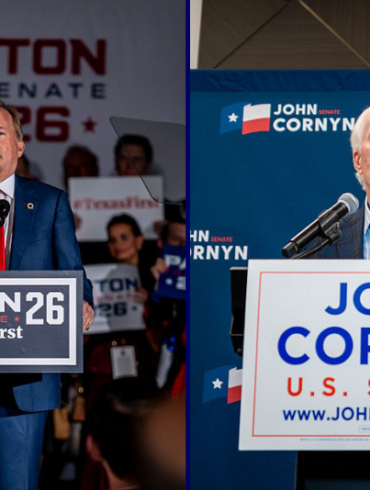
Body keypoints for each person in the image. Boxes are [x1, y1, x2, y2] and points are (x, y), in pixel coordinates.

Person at [0, 99, 94, 490]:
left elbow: (72, 272)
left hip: (24, 377)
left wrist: (83, 302)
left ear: (19, 146)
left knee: (17, 483)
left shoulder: (50, 202)